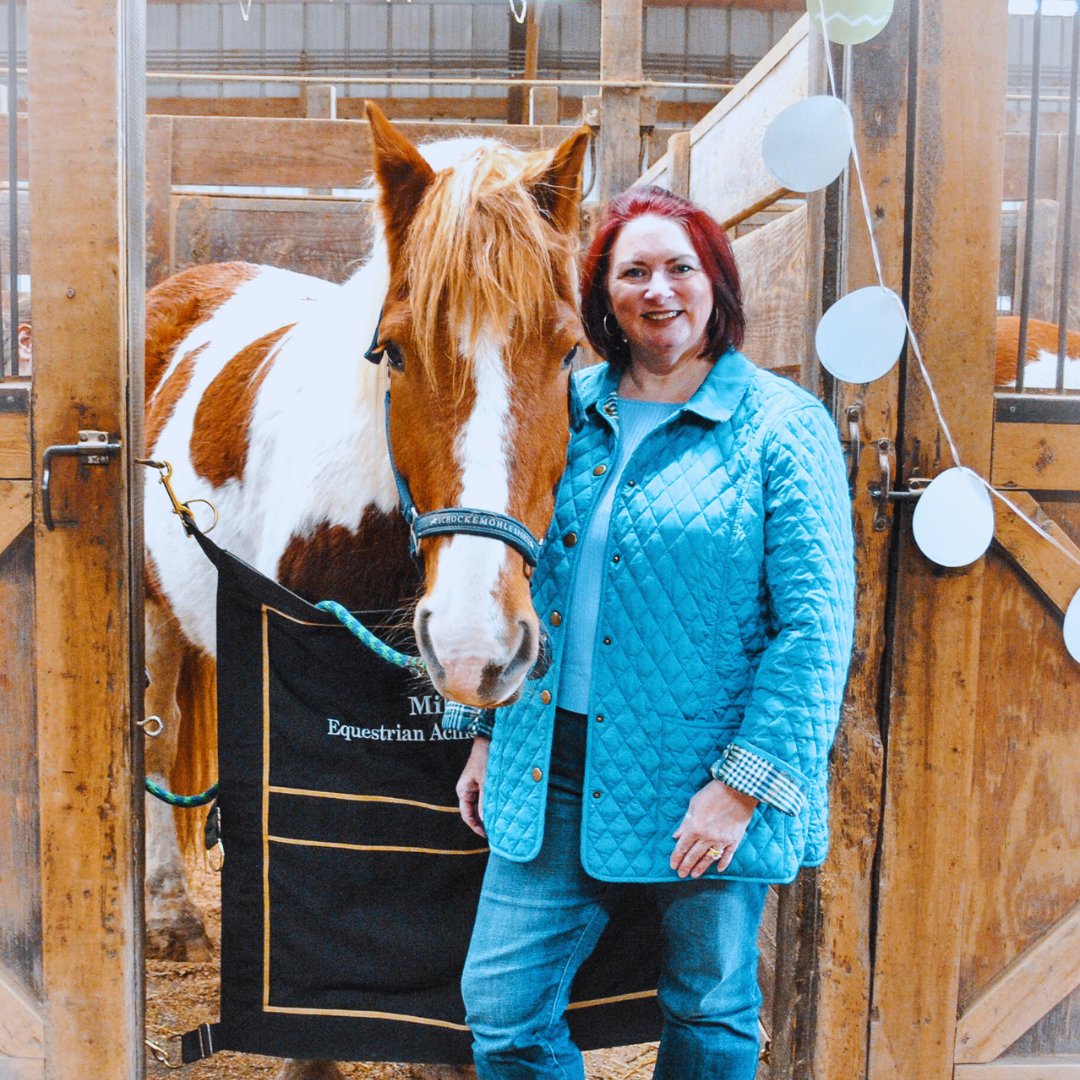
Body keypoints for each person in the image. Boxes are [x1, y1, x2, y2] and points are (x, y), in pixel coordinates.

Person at [446, 185, 856, 1080]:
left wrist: (741, 790)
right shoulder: (564, 408)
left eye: (681, 267)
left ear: (717, 283)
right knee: (503, 1011)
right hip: (549, 762)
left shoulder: (783, 427)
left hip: (706, 775)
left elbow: (816, 630)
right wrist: (487, 732)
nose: (658, 290)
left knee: (709, 1008)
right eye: (633, 272)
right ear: (605, 294)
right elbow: (519, 579)